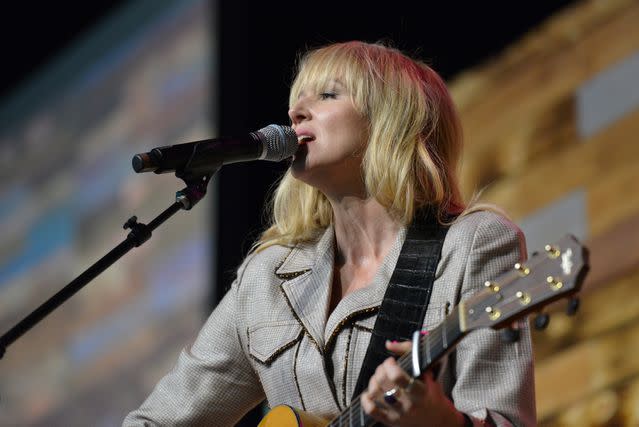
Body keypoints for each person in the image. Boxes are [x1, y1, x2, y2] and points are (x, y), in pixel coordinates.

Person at [123, 41, 535, 426]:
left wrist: (439, 421)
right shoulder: (267, 280)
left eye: (328, 95)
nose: (296, 113)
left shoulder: (474, 243)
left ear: (391, 118)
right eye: (297, 100)